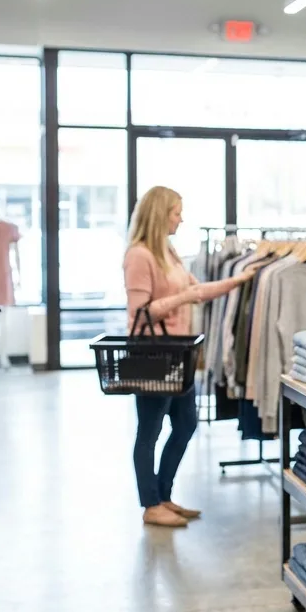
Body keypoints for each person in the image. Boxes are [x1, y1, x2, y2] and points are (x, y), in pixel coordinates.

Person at [123, 186, 253, 528]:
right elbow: (140, 312)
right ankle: (150, 505)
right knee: (149, 430)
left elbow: (199, 290)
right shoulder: (139, 255)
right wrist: (184, 298)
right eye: (176, 212)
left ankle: (164, 496)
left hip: (179, 353)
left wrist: (239, 279)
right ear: (159, 214)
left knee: (185, 424)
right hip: (153, 354)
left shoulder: (169, 251)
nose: (181, 219)